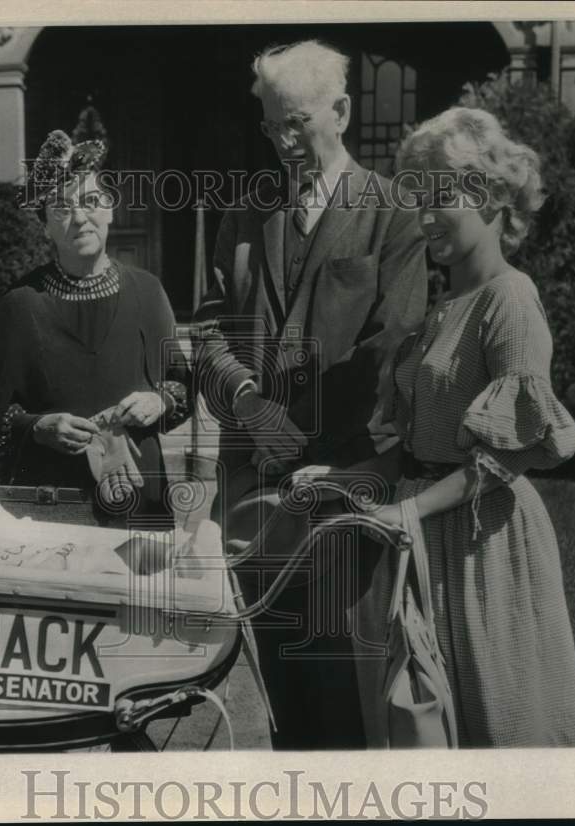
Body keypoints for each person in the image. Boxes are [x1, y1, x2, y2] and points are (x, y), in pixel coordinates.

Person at [192, 40, 428, 749]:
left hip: (341, 498)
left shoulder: (392, 215)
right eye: (270, 125)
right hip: (253, 507)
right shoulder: (244, 215)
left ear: (342, 111)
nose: (282, 141)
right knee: (286, 710)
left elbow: (394, 349)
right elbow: (207, 334)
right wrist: (246, 401)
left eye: (296, 122)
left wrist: (319, 449)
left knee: (350, 707)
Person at [358, 107, 575, 746]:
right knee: (430, 730)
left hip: (486, 544)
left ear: (489, 197)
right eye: (417, 197)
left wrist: (410, 512)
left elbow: (504, 459)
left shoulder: (509, 299)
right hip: (433, 535)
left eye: (441, 196)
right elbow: (421, 445)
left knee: (500, 726)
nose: (424, 215)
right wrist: (350, 477)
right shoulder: (443, 308)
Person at [0, 119, 190, 529]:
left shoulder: (147, 291)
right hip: (54, 507)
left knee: (146, 591)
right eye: (62, 209)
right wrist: (36, 427)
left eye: (90, 201)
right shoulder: (21, 305)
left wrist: (161, 401)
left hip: (141, 498)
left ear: (110, 208)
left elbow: (182, 387)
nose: (80, 218)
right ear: (44, 225)